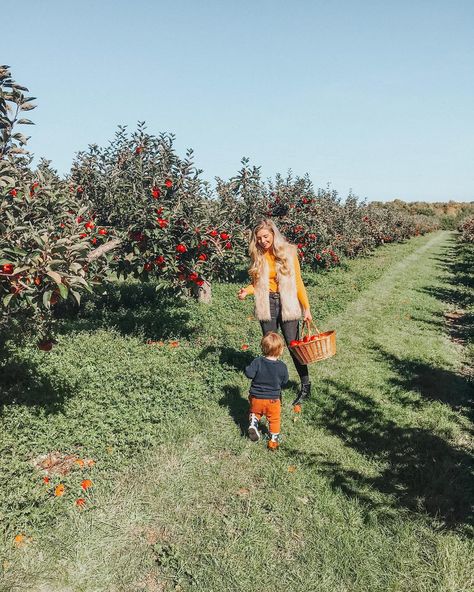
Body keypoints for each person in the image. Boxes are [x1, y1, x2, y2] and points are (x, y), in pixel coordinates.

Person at [238, 218, 312, 407]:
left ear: (273, 234)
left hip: (287, 301)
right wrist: (247, 291)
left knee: (294, 346)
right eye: (259, 238)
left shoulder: (288, 252)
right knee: (271, 347)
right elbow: (257, 284)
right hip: (267, 302)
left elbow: (298, 282)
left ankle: (305, 385)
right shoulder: (259, 255)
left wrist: (306, 308)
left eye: (265, 236)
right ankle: (273, 391)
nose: (262, 241)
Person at [245, 331, 289, 449]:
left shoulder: (257, 361)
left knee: (255, 412)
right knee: (274, 420)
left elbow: (249, 374)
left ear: (263, 348)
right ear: (280, 350)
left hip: (256, 398)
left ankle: (254, 422)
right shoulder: (282, 367)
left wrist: (247, 367)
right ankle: (273, 441)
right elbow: (285, 381)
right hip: (273, 400)